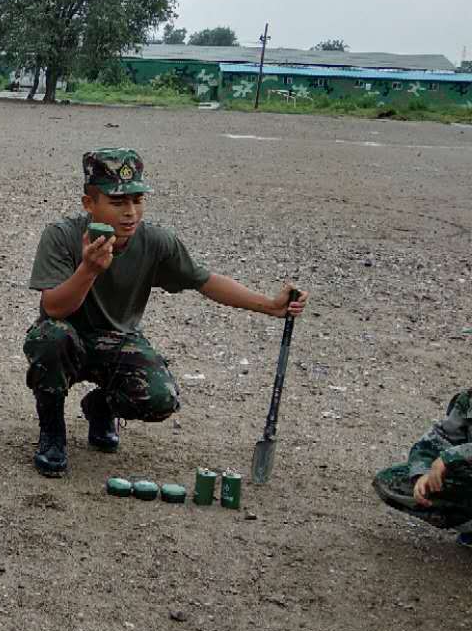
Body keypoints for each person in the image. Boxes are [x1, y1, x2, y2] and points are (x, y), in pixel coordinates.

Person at [24, 148, 307, 478]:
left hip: (118, 341)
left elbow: (203, 280)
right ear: (90, 203)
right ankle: (52, 434)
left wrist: (270, 305)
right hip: (67, 337)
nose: (131, 212)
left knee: (160, 398)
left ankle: (100, 407)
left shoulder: (156, 242)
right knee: (49, 338)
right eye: (118, 203)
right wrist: (88, 270)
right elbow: (55, 307)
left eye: (137, 200)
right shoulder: (61, 237)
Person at [373, 389, 472, 535]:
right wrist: (423, 474)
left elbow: (450, 456)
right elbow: (438, 439)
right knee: (391, 481)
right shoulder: (468, 400)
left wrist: (449, 457)